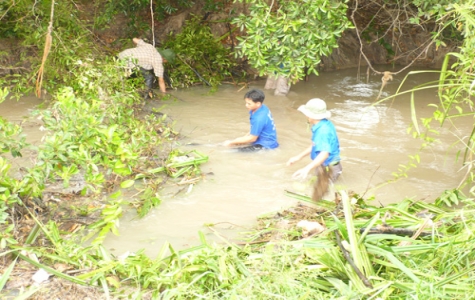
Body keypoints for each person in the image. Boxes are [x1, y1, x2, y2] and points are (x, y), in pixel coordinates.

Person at [286, 98, 342, 201]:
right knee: (317, 189)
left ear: (310, 116)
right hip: (326, 165)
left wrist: (306, 169)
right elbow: (314, 145)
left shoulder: (322, 131)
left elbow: (324, 154)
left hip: (329, 167)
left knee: (319, 196)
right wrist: (298, 157)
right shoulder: (324, 124)